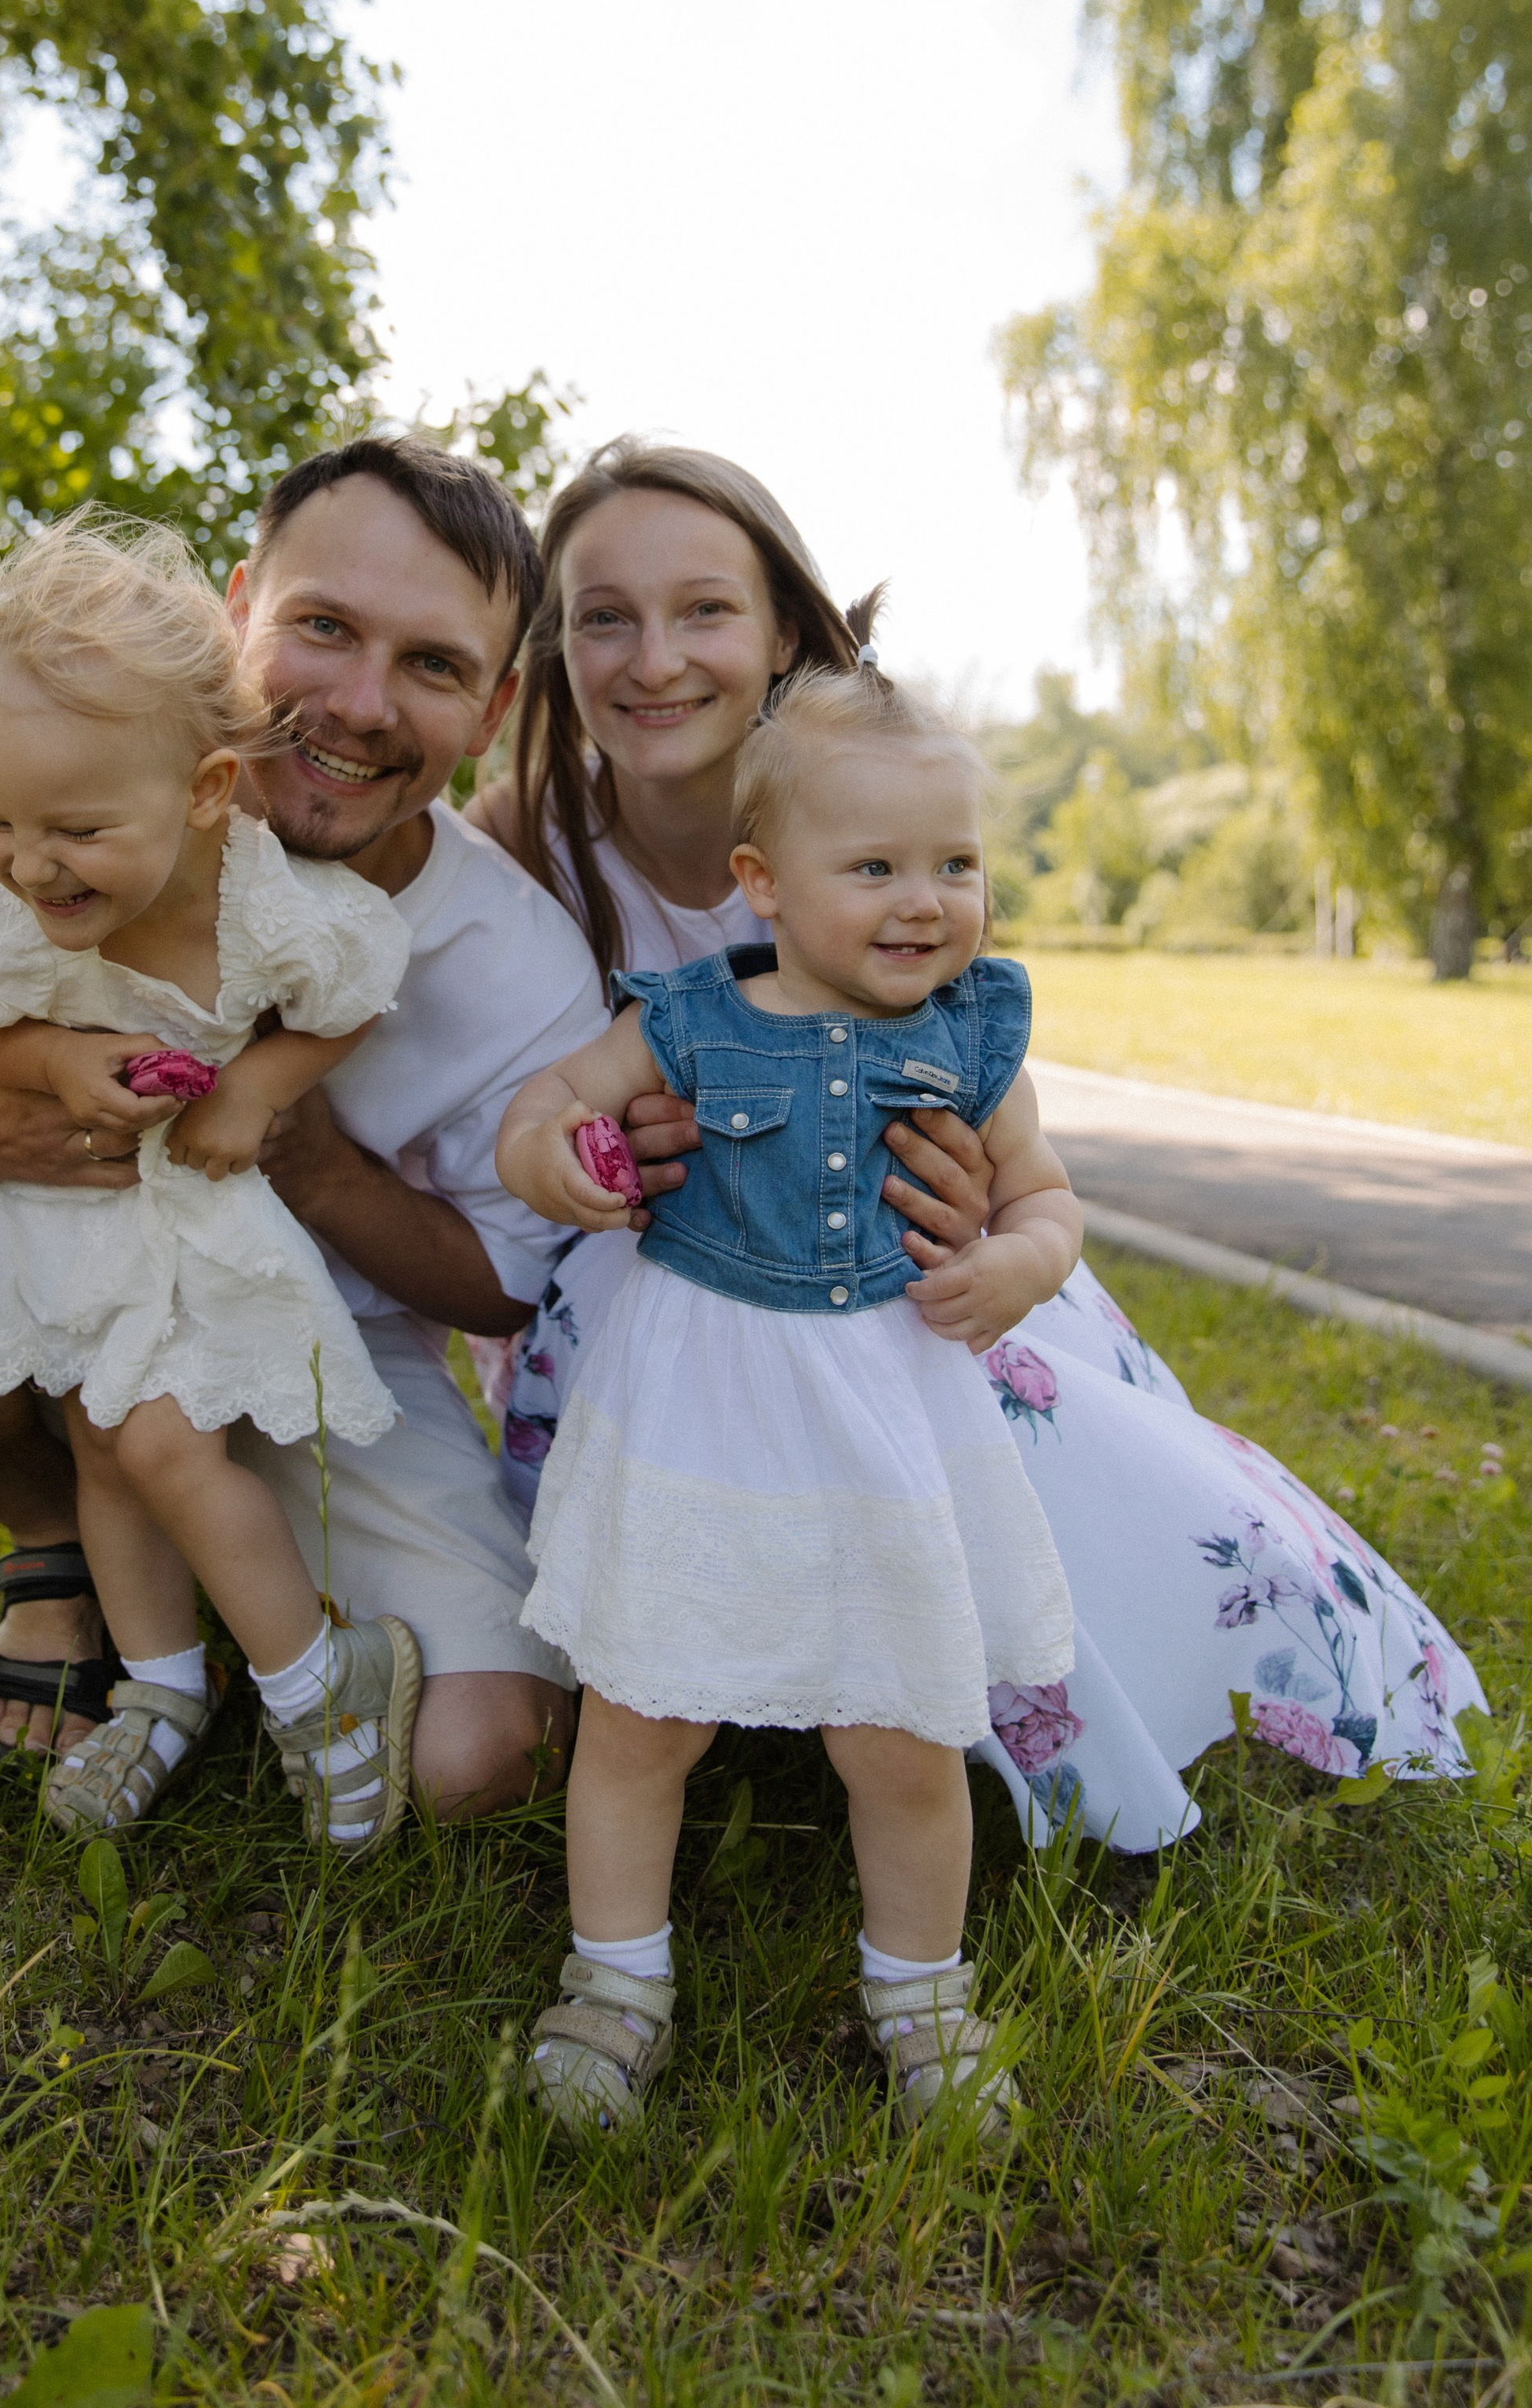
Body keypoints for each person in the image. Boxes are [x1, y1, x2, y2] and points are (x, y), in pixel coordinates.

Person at [470, 438, 1485, 1854]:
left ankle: (1054, 1700)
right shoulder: (529, 839)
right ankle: (716, 1672)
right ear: (556, 644)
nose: (654, 658)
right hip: (678, 1285)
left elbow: (1005, 1143)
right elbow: (531, 1106)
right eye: (602, 615)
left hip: (921, 1245)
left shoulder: (888, 809)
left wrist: (989, 1213)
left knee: (1013, 1416)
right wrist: (590, 1144)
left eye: (704, 609)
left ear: (781, 634)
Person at [0, 438, 656, 1819]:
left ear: (497, 703)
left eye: (430, 663)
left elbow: (502, 1280)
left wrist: (306, 1150)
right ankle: (64, 1548)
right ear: (240, 610)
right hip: (48, 1265)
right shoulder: (14, 780)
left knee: (484, 1762)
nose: (355, 706)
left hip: (314, 1337)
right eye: (324, 628)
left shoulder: (514, 956)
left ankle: (242, 1604)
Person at [498, 651, 1085, 2138]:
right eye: (875, 865)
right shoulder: (693, 1018)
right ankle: (615, 1981)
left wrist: (1019, 1265)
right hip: (703, 1412)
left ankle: (923, 1997)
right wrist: (557, 1158)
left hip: (888, 1421)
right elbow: (543, 1107)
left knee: (902, 1728)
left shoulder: (975, 1034)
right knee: (642, 1715)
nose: (924, 901)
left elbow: (1049, 1201)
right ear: (763, 880)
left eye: (957, 864)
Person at [0, 509, 422, 1848]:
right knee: (109, 1447)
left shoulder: (265, 899)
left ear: (204, 789)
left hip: (199, 1222)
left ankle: (321, 1685)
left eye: (71, 826)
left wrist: (255, 1086)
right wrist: (50, 1056)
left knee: (168, 1442)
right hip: (77, 1223)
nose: (29, 861)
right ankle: (163, 1691)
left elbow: (354, 994)